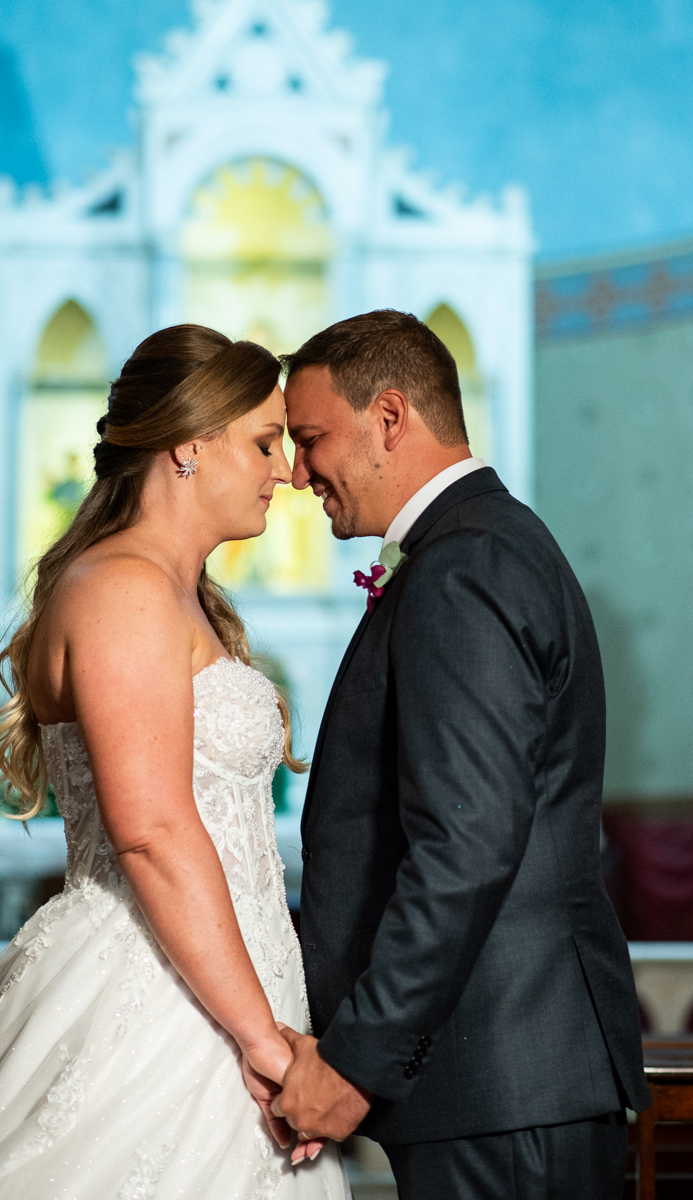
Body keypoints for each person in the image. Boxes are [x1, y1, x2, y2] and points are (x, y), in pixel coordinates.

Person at [0, 326, 349, 1200]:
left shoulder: (172, 591)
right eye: (264, 442)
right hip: (157, 987)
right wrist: (260, 1038)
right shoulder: (124, 587)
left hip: (223, 971)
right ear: (189, 444)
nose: (288, 471)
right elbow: (150, 831)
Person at [274, 309, 650, 1200]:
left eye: (310, 438)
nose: (295, 472)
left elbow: (466, 842)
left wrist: (357, 1060)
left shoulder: (465, 564)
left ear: (389, 416)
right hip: (503, 1080)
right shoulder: (480, 544)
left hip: (504, 1080)